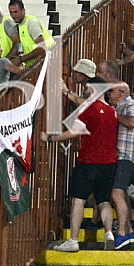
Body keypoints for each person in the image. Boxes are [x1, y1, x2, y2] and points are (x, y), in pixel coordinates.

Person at [42, 77, 119, 251]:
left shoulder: (89, 109)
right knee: (104, 200)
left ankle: (73, 240)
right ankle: (108, 233)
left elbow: (74, 132)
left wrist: (50, 138)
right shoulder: (112, 111)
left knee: (78, 200)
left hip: (88, 161)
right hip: (109, 163)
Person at [110, 82, 134, 248]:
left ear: (121, 92)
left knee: (116, 193)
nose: (109, 94)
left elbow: (133, 122)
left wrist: (114, 115)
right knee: (121, 193)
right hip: (118, 157)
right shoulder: (116, 108)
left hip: (127, 156)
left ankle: (121, 233)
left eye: (112, 91)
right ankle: (129, 232)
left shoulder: (132, 105)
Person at [8, 0, 56, 67]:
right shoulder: (20, 26)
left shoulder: (31, 23)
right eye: (11, 12)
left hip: (47, 62)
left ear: (23, 11)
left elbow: (42, 48)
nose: (13, 15)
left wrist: (21, 59)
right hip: (37, 64)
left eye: (16, 12)